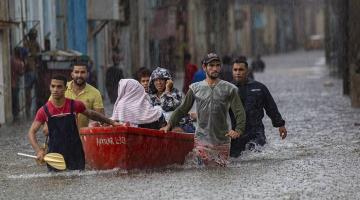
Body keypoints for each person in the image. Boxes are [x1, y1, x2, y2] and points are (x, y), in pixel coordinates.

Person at [161, 53, 246, 166]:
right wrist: (169, 124)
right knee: (202, 172)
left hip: (222, 141)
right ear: (204, 67)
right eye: (211, 65)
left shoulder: (229, 88)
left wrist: (238, 130)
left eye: (217, 65)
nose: (215, 68)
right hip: (201, 139)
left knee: (221, 172)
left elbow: (239, 111)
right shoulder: (195, 88)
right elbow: (182, 109)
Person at [28, 75, 119, 171]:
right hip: (55, 154)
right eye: (53, 86)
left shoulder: (75, 105)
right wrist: (39, 151)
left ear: (65, 89)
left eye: (59, 87)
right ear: (50, 87)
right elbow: (31, 132)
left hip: (75, 153)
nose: (55, 90)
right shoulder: (44, 110)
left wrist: (111, 122)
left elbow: (91, 114)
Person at [230, 57, 287, 158]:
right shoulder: (227, 89)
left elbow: (271, 107)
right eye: (235, 70)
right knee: (236, 159)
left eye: (241, 70)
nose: (238, 72)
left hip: (256, 131)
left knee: (256, 156)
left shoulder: (259, 88)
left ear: (247, 71)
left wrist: (280, 125)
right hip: (236, 134)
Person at [149, 67, 195, 133]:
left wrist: (167, 89)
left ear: (167, 81)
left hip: (182, 127)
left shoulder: (176, 93)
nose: (159, 82)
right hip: (162, 128)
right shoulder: (151, 97)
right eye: (156, 80)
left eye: (161, 79)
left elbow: (167, 106)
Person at [63, 62, 105, 128]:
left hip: (83, 135)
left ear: (87, 74)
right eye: (76, 72)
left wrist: (94, 124)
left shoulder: (95, 92)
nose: (79, 75)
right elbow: (49, 110)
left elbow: (102, 119)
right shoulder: (62, 88)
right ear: (72, 74)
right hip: (61, 134)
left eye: (82, 72)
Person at [24, 28, 41, 117]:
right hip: (30, 70)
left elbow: (38, 54)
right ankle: (28, 111)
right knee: (28, 92)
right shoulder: (27, 44)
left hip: (34, 70)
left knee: (37, 92)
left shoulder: (35, 44)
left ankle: (35, 111)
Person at [11, 47, 25, 121]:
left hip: (11, 83)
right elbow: (21, 73)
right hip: (15, 83)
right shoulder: (19, 62)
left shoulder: (11, 60)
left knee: (13, 100)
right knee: (16, 100)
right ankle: (16, 115)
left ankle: (14, 115)